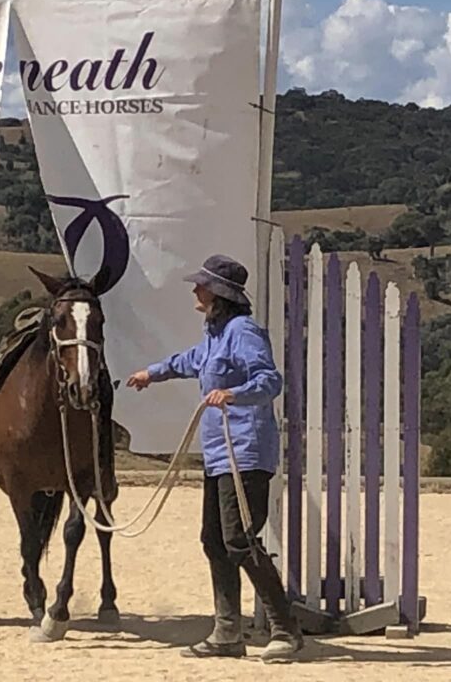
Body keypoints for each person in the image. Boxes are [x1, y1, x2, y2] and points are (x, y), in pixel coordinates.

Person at [126, 254, 304, 663]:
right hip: (220, 455)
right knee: (215, 541)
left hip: (245, 451)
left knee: (239, 540)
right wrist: (152, 373)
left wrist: (235, 394)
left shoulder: (243, 331)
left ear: (217, 294)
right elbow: (189, 361)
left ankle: (286, 629)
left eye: (201, 286)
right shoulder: (214, 334)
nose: (195, 291)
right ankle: (227, 631)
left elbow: (269, 379)